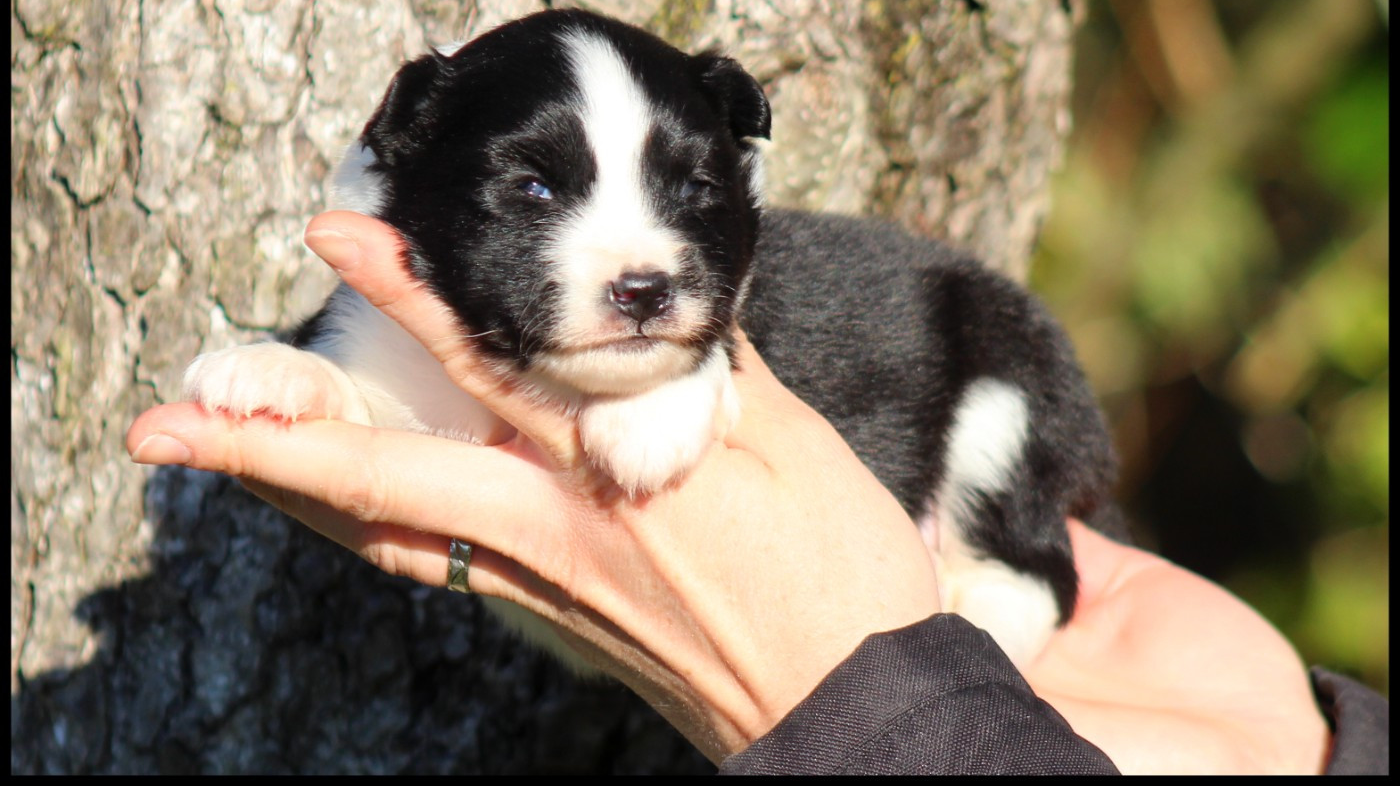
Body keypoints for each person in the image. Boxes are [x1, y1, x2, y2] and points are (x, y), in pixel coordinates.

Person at [127, 211, 1388, 775]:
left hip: (965, 416)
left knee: (993, 360)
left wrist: (900, 722)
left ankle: (1015, 573)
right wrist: (1293, 752)